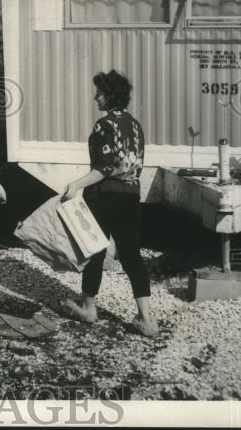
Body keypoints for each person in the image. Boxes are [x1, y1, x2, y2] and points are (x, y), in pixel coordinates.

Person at [58, 70, 157, 337]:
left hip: (105, 196)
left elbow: (105, 167)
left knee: (95, 252)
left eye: (99, 93)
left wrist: (75, 185)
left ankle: (88, 308)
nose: (95, 97)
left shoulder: (104, 125)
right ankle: (146, 318)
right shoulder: (135, 125)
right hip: (131, 196)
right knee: (132, 255)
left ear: (110, 96)